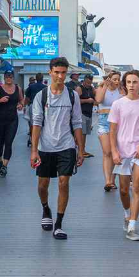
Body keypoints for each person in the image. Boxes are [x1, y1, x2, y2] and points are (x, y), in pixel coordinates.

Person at [30, 57, 84, 240]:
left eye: (63, 72)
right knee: (43, 184)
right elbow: (36, 123)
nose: (60, 76)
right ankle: (46, 209)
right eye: (57, 72)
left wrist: (81, 150)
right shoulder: (41, 96)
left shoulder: (72, 95)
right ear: (50, 72)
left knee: (63, 182)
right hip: (45, 146)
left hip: (66, 145)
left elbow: (77, 122)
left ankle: (59, 224)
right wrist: (34, 150)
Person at [109, 70, 139, 241]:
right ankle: (127, 214)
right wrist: (114, 151)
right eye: (128, 82)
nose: (131, 85)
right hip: (122, 151)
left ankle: (133, 226)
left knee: (136, 186)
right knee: (123, 190)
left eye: (134, 82)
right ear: (124, 84)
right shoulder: (118, 105)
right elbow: (112, 131)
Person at [94, 70, 124, 191]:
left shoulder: (121, 90)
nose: (117, 81)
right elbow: (99, 100)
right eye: (115, 79)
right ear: (109, 79)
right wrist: (105, 86)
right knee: (107, 152)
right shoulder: (101, 87)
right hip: (104, 122)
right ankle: (107, 180)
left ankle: (112, 180)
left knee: (115, 152)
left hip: (118, 122)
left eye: (118, 79)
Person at [0, 70, 22, 177]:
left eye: (11, 77)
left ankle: (4, 166)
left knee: (8, 143)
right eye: (7, 77)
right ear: (4, 78)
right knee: (0, 144)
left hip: (12, 120)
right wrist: (0, 100)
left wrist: (20, 105)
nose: (9, 78)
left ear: (13, 78)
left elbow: (21, 101)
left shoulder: (18, 89)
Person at [78, 75, 97, 158]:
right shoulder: (79, 88)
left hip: (89, 113)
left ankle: (82, 150)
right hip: (81, 113)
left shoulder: (91, 89)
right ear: (84, 81)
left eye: (90, 82)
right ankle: (80, 151)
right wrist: (87, 100)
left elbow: (96, 97)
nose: (88, 84)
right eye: (87, 82)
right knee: (81, 134)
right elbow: (76, 101)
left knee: (85, 134)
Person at [24, 73, 45, 146]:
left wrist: (24, 106)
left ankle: (33, 139)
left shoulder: (31, 86)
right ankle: (41, 139)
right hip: (43, 107)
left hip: (33, 106)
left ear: (36, 79)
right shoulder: (45, 87)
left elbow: (27, 97)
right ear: (42, 79)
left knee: (33, 124)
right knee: (43, 123)